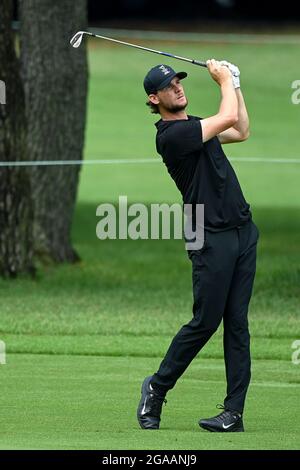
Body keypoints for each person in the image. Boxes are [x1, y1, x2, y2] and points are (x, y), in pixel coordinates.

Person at [136, 59, 259, 433]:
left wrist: (234, 83)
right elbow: (225, 119)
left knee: (237, 323)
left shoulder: (195, 126)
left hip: (242, 230)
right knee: (206, 321)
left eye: (178, 82)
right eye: (168, 86)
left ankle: (233, 413)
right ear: (154, 99)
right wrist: (223, 80)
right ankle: (157, 387)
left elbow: (240, 130)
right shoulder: (170, 137)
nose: (178, 88)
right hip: (206, 234)